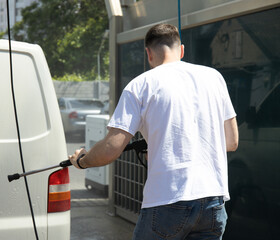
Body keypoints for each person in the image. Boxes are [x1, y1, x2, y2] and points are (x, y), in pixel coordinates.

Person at [69, 23, 238, 240]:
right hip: (213, 202)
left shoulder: (140, 85)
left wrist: (83, 160)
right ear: (182, 50)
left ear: (149, 54)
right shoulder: (214, 77)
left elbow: (111, 148)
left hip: (167, 201)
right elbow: (231, 141)